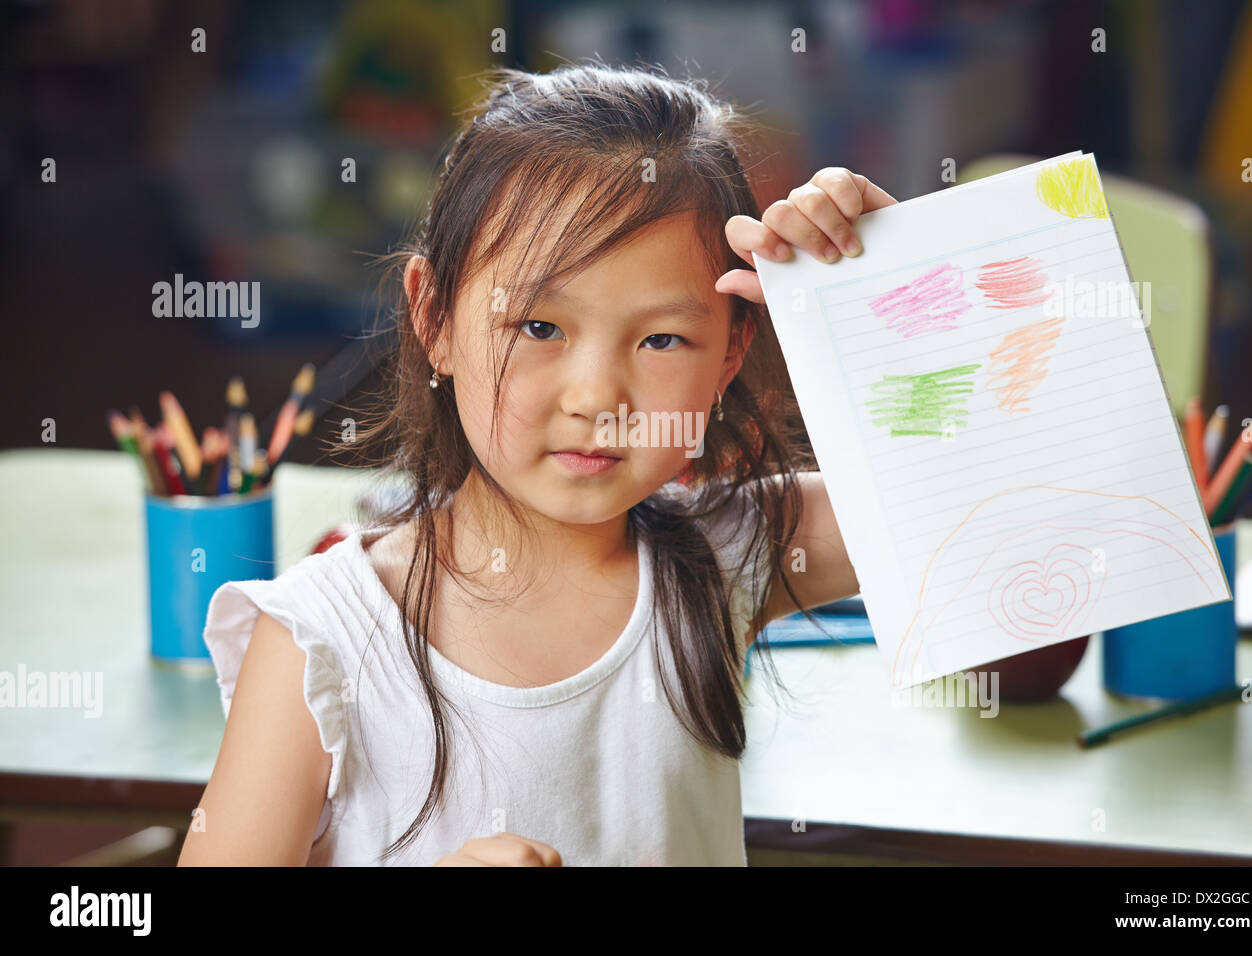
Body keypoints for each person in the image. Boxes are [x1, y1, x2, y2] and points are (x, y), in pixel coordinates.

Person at [178, 62, 894, 866]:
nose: (596, 396)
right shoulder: (323, 640)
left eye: (662, 339)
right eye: (539, 328)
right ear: (434, 316)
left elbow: (1000, 490)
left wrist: (900, 291)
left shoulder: (730, 554)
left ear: (732, 351)